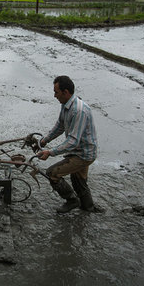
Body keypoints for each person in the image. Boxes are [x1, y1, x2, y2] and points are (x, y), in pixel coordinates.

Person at [36, 75, 99, 213]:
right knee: (79, 182)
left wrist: (50, 152)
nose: (54, 95)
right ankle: (88, 208)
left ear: (65, 92)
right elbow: (60, 126)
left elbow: (72, 141)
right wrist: (45, 140)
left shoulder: (79, 110)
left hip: (83, 154)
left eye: (56, 92)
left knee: (52, 173)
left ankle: (72, 200)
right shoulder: (66, 105)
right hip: (78, 150)